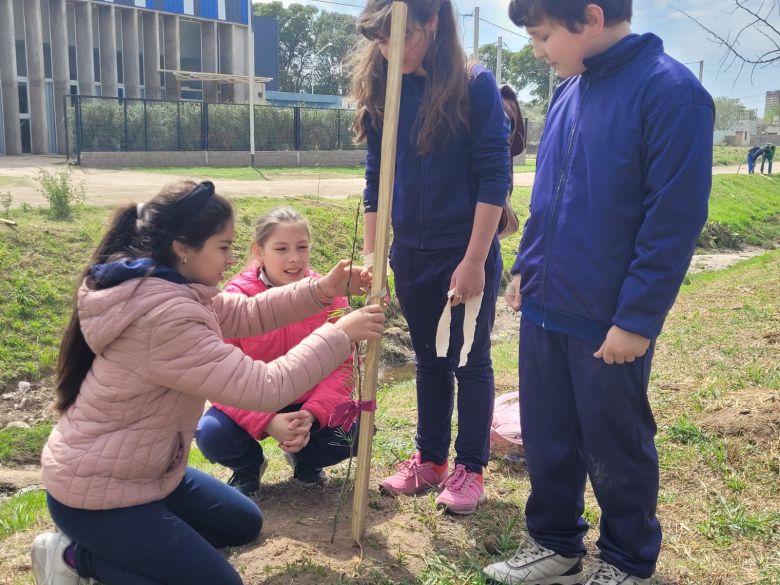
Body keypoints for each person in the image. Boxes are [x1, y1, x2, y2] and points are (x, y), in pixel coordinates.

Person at [30, 181, 384, 585]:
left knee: (242, 523)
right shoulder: (165, 318)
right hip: (100, 493)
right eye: (224, 246)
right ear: (184, 248)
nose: (232, 258)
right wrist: (341, 334)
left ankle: (149, 543)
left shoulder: (169, 287)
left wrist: (322, 291)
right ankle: (73, 557)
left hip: (150, 471)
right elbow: (265, 386)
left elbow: (248, 312)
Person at [483, 2, 713, 585]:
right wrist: (524, 269)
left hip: (607, 318)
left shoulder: (672, 94)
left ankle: (627, 561)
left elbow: (673, 220)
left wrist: (636, 319)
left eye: (542, 36)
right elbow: (548, 197)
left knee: (616, 442)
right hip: (544, 307)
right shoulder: (570, 89)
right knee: (547, 432)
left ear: (588, 17)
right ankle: (555, 544)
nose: (538, 50)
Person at [351, 0, 512, 515]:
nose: (389, 50)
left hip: (463, 250)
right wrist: (376, 255)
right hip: (410, 254)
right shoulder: (385, 88)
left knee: (468, 359)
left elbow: (494, 177)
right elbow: (377, 180)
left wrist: (473, 261)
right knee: (429, 360)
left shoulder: (473, 84)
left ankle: (471, 466)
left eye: (403, 37)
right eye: (380, 40)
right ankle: (432, 460)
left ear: (433, 24)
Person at [195, 207, 358, 495]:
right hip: (254, 399)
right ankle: (248, 466)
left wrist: (312, 414)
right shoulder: (233, 299)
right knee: (212, 433)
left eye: (302, 247)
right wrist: (267, 421)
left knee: (356, 429)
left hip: (308, 401)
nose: (294, 258)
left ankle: (306, 460)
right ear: (258, 251)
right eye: (281, 249)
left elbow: (343, 367)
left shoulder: (331, 293)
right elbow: (222, 377)